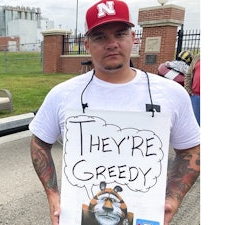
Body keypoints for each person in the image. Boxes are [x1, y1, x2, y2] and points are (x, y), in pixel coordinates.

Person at [28, 1, 200, 225]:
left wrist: (173, 198)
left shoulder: (170, 94)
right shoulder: (62, 95)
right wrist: (52, 194)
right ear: (87, 44)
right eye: (100, 37)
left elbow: (191, 149)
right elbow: (39, 143)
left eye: (120, 34)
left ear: (133, 38)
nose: (112, 44)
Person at [184, 53, 200, 125]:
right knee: (195, 123)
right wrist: (187, 89)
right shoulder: (198, 57)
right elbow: (188, 74)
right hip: (195, 96)